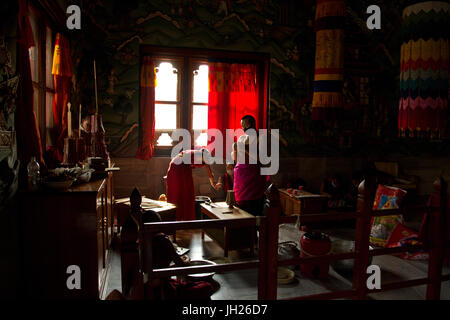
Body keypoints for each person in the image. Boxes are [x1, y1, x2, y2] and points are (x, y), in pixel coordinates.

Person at [141, 211, 217, 300]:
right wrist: (186, 260)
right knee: (207, 287)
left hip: (146, 287)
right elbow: (182, 266)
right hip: (162, 289)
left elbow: (158, 266)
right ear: (158, 224)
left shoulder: (142, 240)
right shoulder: (162, 240)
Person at [166, 148, 222, 221]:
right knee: (182, 195)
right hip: (177, 169)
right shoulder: (196, 154)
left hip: (179, 168)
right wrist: (213, 184)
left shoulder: (198, 155)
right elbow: (208, 167)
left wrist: (213, 184)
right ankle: (181, 218)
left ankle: (185, 219)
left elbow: (208, 169)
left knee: (185, 194)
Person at [231, 115, 268, 216]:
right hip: (241, 177)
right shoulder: (242, 138)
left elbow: (262, 159)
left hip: (253, 175)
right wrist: (235, 148)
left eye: (245, 125)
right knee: (240, 207)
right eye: (242, 126)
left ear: (252, 124)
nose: (243, 128)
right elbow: (236, 158)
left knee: (252, 205)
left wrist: (245, 149)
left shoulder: (261, 138)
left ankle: (253, 228)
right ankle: (242, 228)